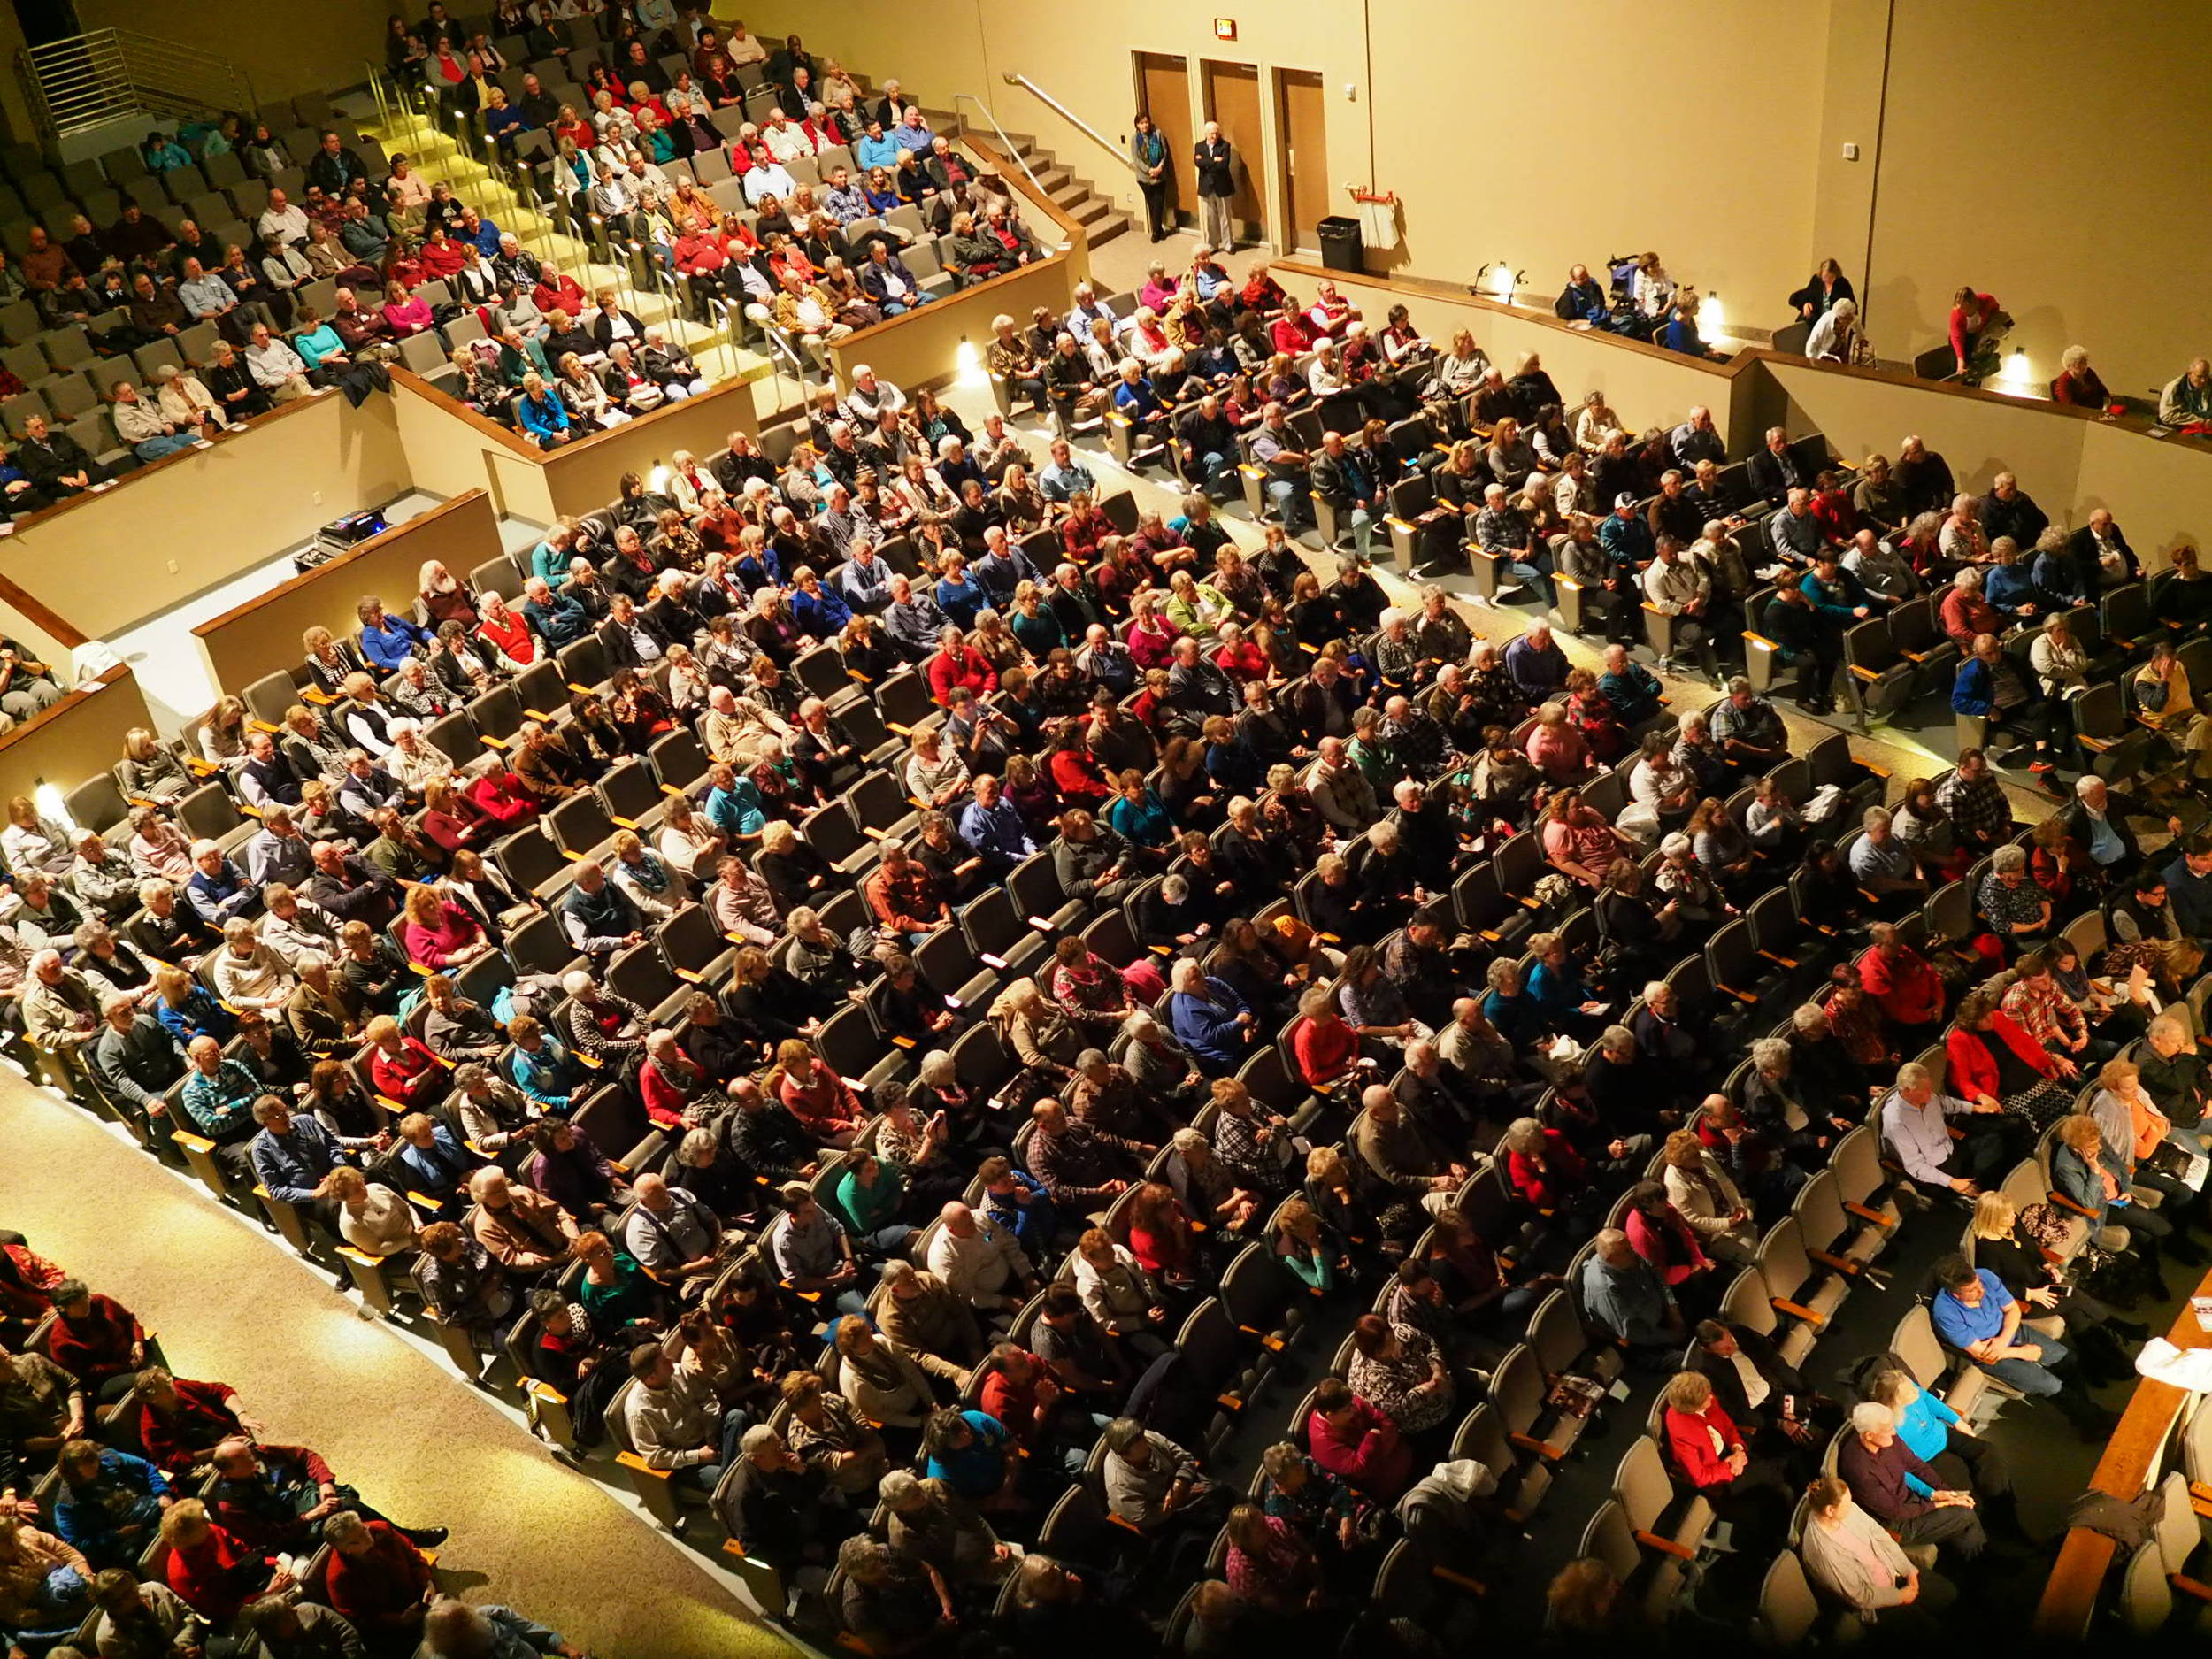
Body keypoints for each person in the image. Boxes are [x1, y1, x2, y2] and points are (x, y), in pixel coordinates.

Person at [1929, 1255, 2107, 1436]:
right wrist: (2021, 1352)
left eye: (1979, 1284)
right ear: (1955, 1294)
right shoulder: (1946, 1314)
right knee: (2050, 1385)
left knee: (2068, 1360)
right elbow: (1980, 1353)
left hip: (2008, 1333)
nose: (1981, 1290)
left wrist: (2002, 1340)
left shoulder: (1984, 1276)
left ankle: (2086, 1413)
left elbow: (2012, 1309)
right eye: (1972, 1290)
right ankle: (2092, 1422)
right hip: (1991, 1357)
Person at [1799, 1474, 1955, 1634]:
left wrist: (1909, 1570)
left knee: (1948, 1594)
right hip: (1878, 1604)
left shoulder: (1847, 1509)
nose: (1851, 1506)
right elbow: (1859, 1596)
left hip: (1894, 1572)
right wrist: (1901, 1596)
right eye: (1846, 1505)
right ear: (1830, 1510)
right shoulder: (1823, 1551)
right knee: (1930, 1631)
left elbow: (1880, 1536)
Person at [1192, 120, 1234, 250]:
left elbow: (1223, 164)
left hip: (1222, 186)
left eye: (1216, 134)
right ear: (1206, 134)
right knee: (1210, 218)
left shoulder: (1225, 145)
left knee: (1225, 217)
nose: (1214, 137)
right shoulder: (1199, 146)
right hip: (1207, 187)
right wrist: (1214, 160)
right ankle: (1212, 244)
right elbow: (1197, 163)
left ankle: (1228, 244)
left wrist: (1206, 163)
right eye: (1211, 134)